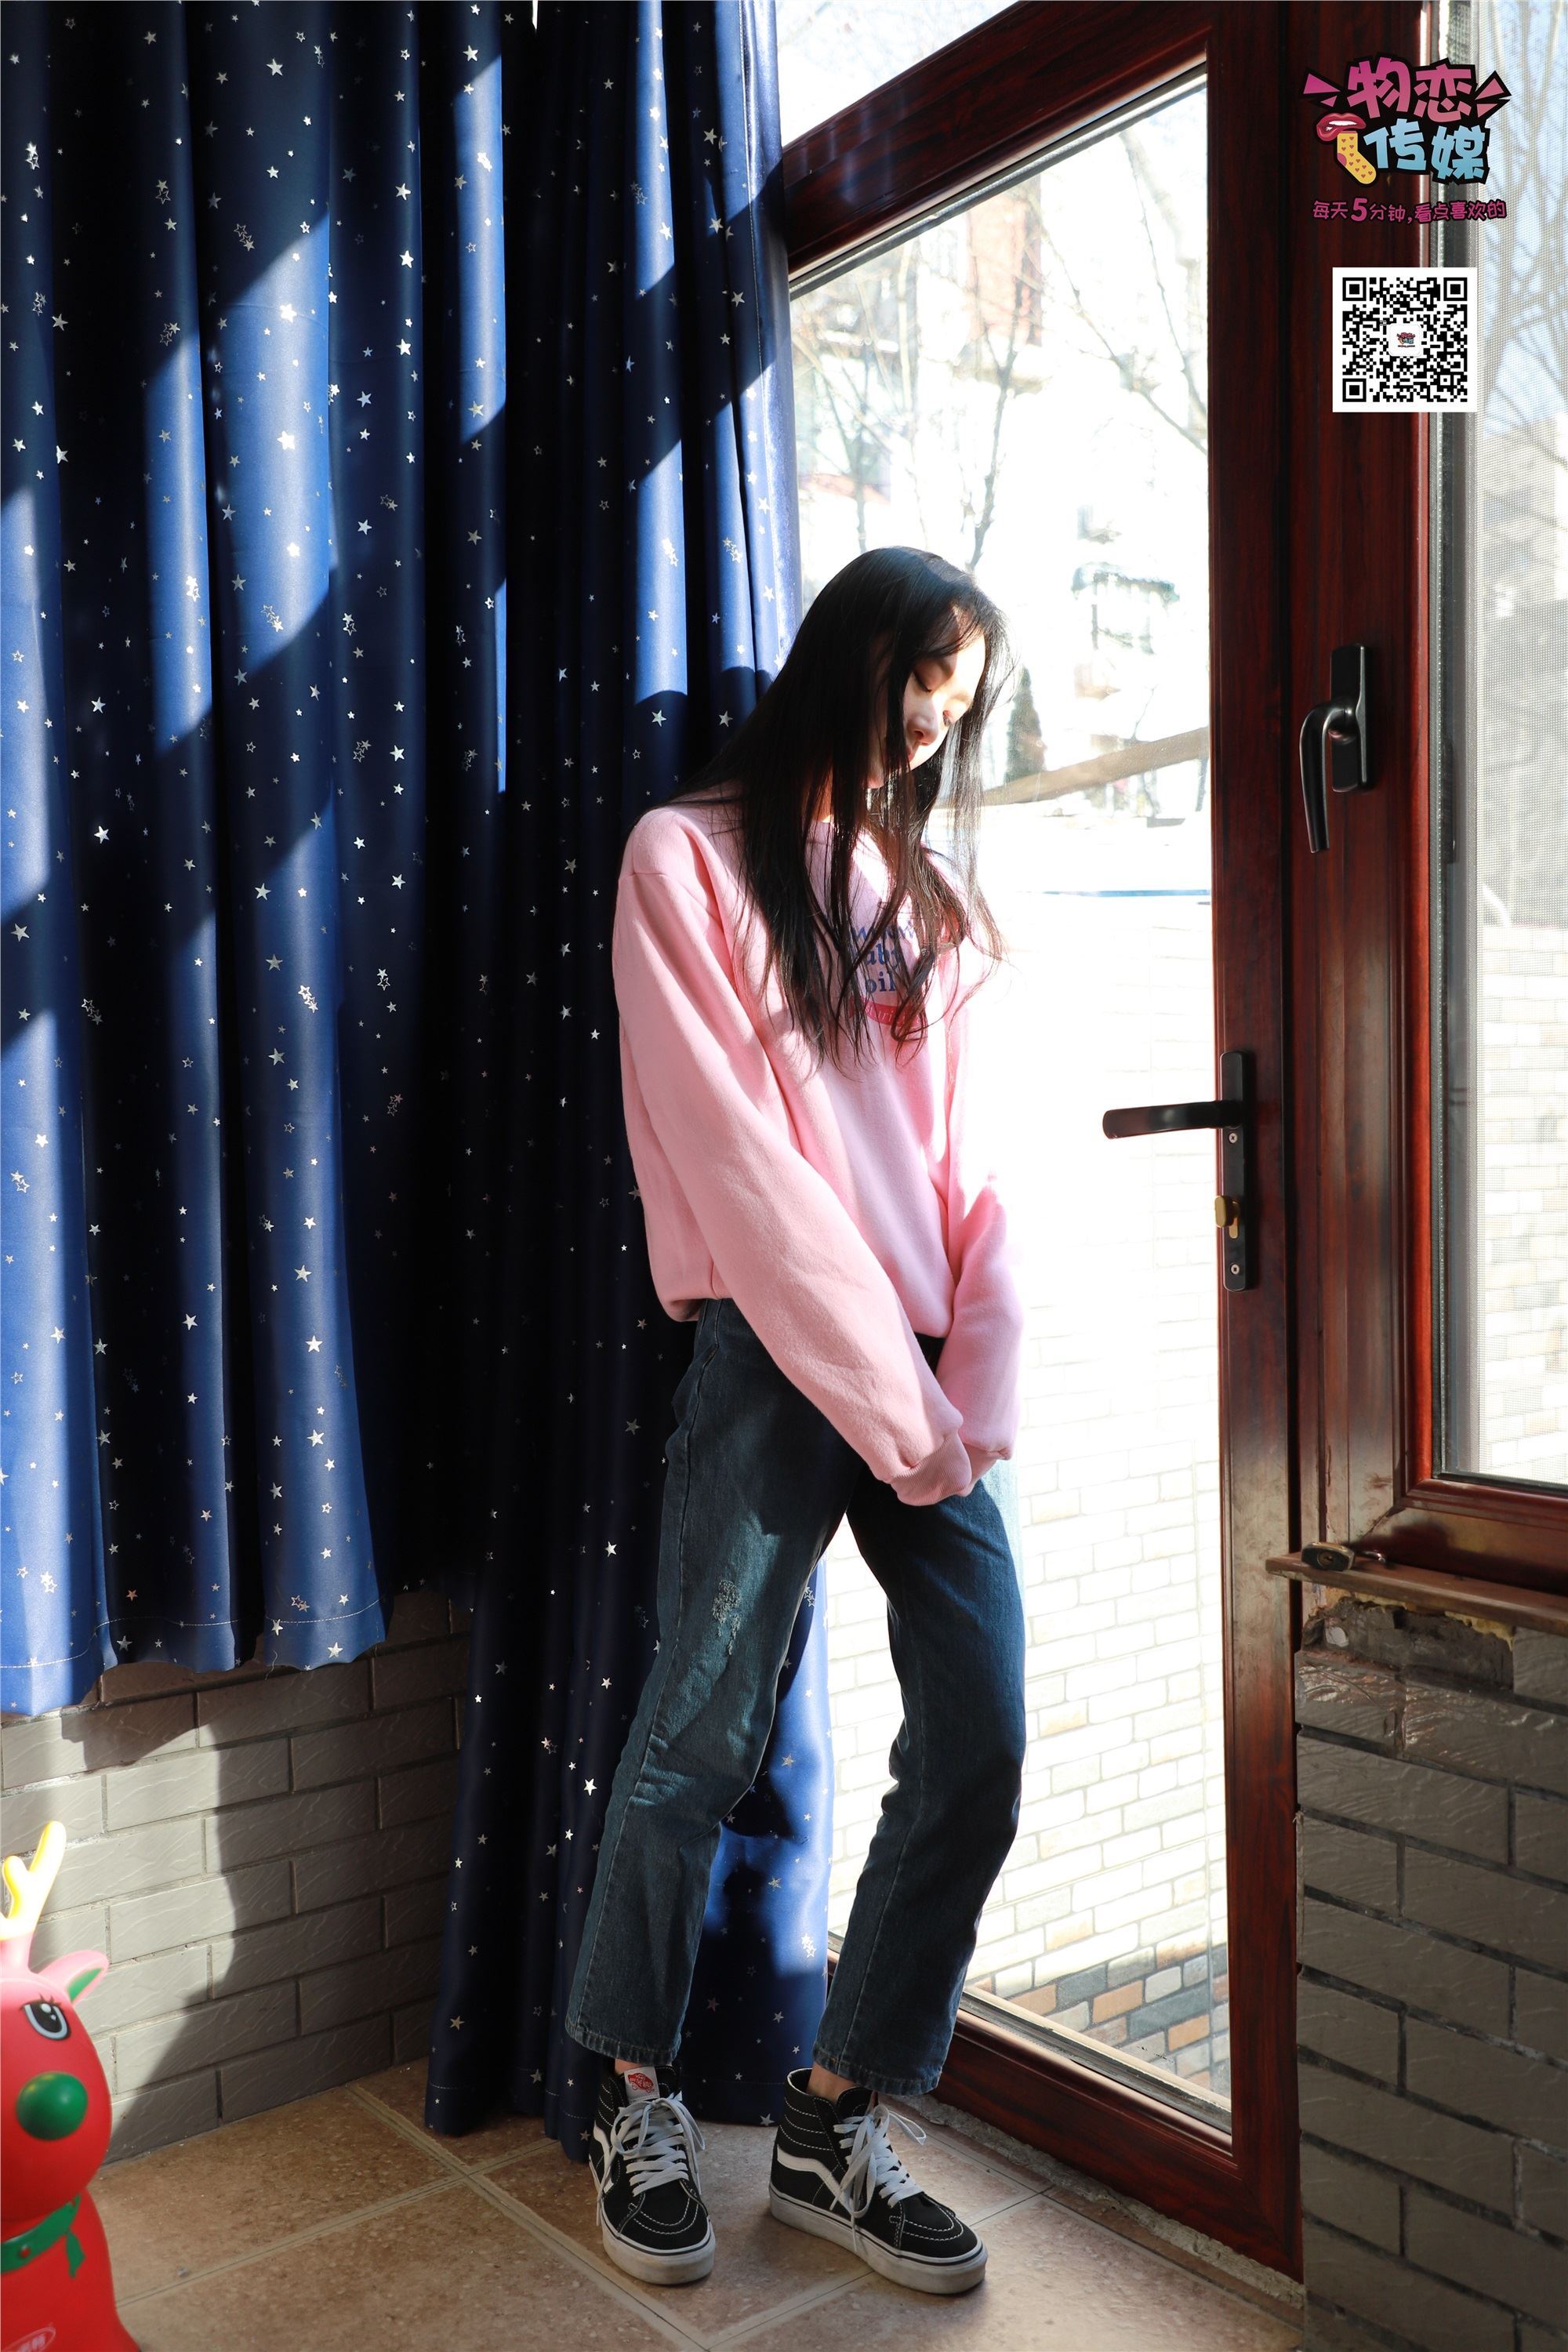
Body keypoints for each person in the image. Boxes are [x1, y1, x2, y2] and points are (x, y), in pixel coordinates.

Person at [564, 546, 1028, 2298]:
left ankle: (834, 2117)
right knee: (700, 1731)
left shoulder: (933, 901)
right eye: (921, 677)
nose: (929, 724)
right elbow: (744, 1175)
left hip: (920, 1376)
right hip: (776, 1348)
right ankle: (627, 2091)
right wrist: (888, 1394)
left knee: (978, 1730)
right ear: (852, 651)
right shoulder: (683, 859)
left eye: (958, 702)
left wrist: (962, 1393)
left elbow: (978, 1174)